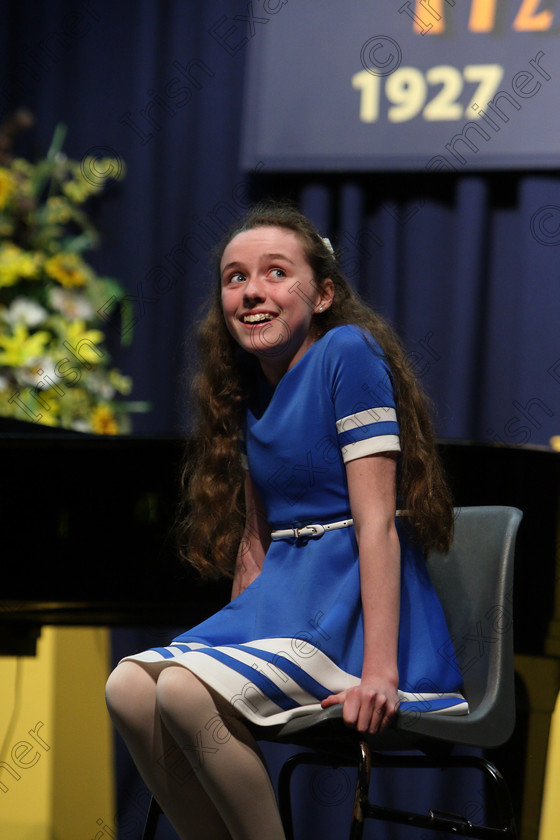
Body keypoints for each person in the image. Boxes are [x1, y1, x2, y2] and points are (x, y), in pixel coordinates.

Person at [105, 200, 466, 840]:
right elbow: (254, 540)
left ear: (323, 293)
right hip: (284, 603)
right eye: (235, 277)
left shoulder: (346, 354)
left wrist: (381, 671)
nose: (252, 291)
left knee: (186, 692)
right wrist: (237, 638)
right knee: (130, 687)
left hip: (348, 615)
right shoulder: (249, 391)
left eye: (276, 272)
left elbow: (378, 525)